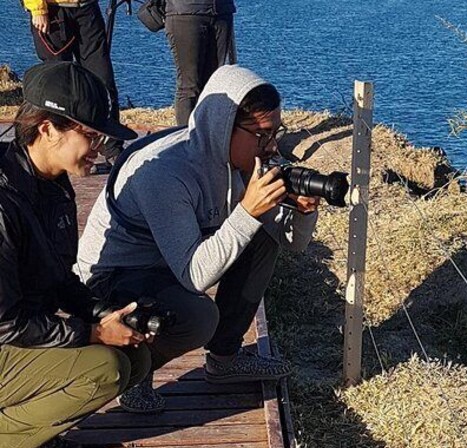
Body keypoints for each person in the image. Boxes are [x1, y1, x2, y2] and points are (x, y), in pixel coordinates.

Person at [76, 64, 319, 413]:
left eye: (276, 133)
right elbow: (195, 276)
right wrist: (247, 212)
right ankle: (136, 371)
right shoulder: (165, 172)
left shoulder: (243, 161)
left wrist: (303, 212)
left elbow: (293, 243)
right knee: (198, 317)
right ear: (223, 127)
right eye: (262, 135)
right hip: (116, 275)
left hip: (171, 262)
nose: (271, 146)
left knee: (263, 236)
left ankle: (225, 359)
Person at [0, 61, 151, 448]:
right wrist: (91, 335)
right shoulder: (3, 204)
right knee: (105, 368)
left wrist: (105, 314)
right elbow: (5, 324)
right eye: (91, 135)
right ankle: (9, 438)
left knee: (134, 358)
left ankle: (35, 429)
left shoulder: (53, 182)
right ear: (47, 129)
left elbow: (60, 278)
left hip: (22, 334)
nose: (99, 148)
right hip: (6, 335)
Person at [22, 0, 125, 158]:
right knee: (58, 88)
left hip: (88, 10)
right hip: (53, 13)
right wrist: (37, 8)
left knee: (103, 80)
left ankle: (112, 149)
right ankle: (58, 149)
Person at [165, 0, 237, 126]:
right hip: (186, 13)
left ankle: (208, 137)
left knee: (213, 83)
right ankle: (186, 138)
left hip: (222, 12)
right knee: (189, 86)